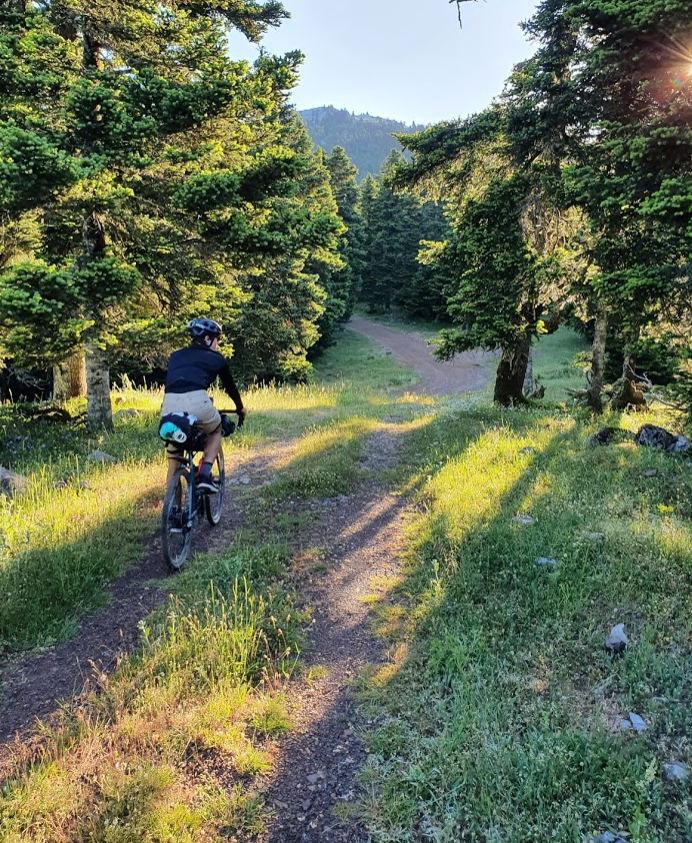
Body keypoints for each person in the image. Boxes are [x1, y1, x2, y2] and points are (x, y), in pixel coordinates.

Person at [161, 318, 247, 493]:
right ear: (208, 339)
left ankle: (174, 512)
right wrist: (240, 408)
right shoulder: (216, 358)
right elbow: (230, 388)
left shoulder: (175, 356)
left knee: (174, 461)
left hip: (168, 407)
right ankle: (206, 473)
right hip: (198, 402)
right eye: (217, 339)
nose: (218, 344)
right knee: (216, 429)